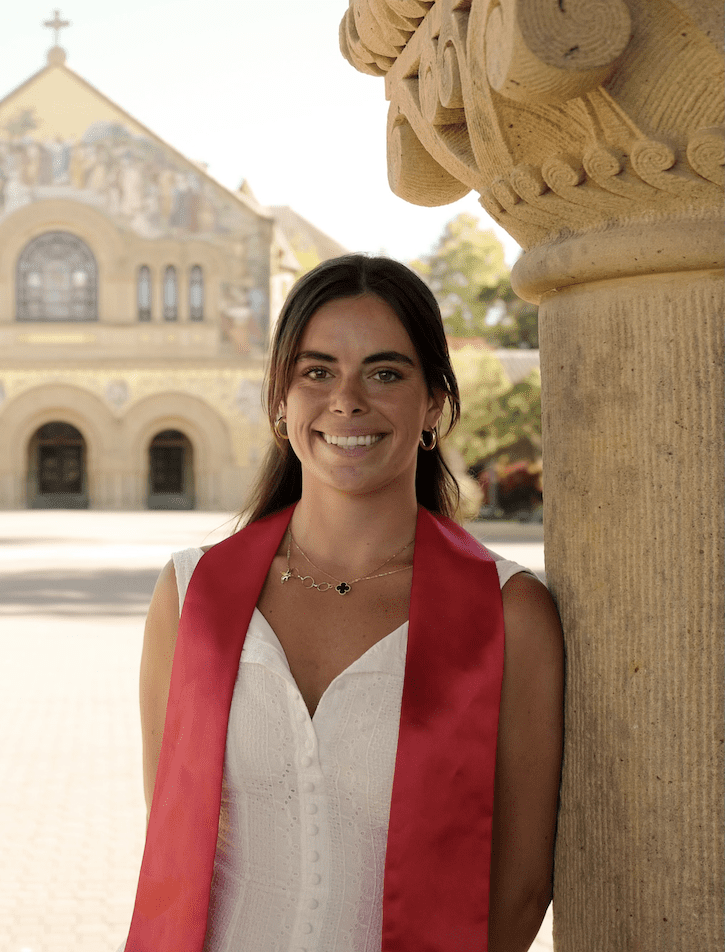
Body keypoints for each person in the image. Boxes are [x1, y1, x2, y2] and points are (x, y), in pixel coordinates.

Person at [123, 255, 564, 952]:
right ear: (281, 403)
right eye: (316, 372)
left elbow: (519, 882)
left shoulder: (510, 616)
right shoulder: (191, 597)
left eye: (385, 373)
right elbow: (174, 835)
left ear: (434, 406)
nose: (347, 400)